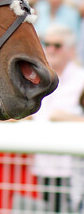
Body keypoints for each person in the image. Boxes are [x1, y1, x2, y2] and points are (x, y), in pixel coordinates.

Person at [29, 25, 84, 212]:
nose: (51, 49)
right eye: (47, 44)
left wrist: (67, 118)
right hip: (41, 166)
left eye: (57, 45)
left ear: (71, 50)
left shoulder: (81, 79)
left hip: (74, 168)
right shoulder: (34, 79)